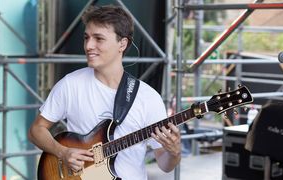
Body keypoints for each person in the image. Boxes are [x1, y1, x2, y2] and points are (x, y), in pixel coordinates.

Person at [28, 5, 181, 180]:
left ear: (122, 44)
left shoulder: (148, 98)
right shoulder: (71, 84)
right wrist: (63, 152)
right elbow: (36, 130)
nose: (88, 45)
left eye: (98, 38)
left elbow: (165, 164)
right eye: (86, 38)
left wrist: (174, 153)